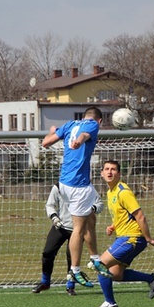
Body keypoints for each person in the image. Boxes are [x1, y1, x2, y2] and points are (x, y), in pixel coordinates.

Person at [41, 106, 110, 288]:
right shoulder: (93, 125)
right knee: (78, 229)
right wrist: (79, 141)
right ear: (100, 120)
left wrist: (54, 132)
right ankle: (75, 269)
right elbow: (85, 136)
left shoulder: (70, 124)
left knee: (90, 219)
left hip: (65, 182)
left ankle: (95, 258)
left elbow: (45, 143)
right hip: (77, 186)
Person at [90, 160, 154, 307]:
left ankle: (110, 303)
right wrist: (113, 226)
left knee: (101, 266)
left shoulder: (123, 192)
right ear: (102, 173)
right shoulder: (111, 192)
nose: (110, 172)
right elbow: (124, 215)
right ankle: (151, 279)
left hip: (133, 238)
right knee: (116, 274)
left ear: (119, 173)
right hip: (125, 237)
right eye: (107, 169)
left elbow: (140, 216)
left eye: (114, 169)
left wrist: (148, 238)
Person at [31, 184, 103, 296]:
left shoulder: (86, 187)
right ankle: (45, 282)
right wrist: (54, 217)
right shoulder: (58, 187)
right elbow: (50, 205)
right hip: (60, 227)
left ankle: (70, 286)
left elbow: (99, 203)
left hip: (78, 229)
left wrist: (92, 208)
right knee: (48, 252)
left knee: (71, 256)